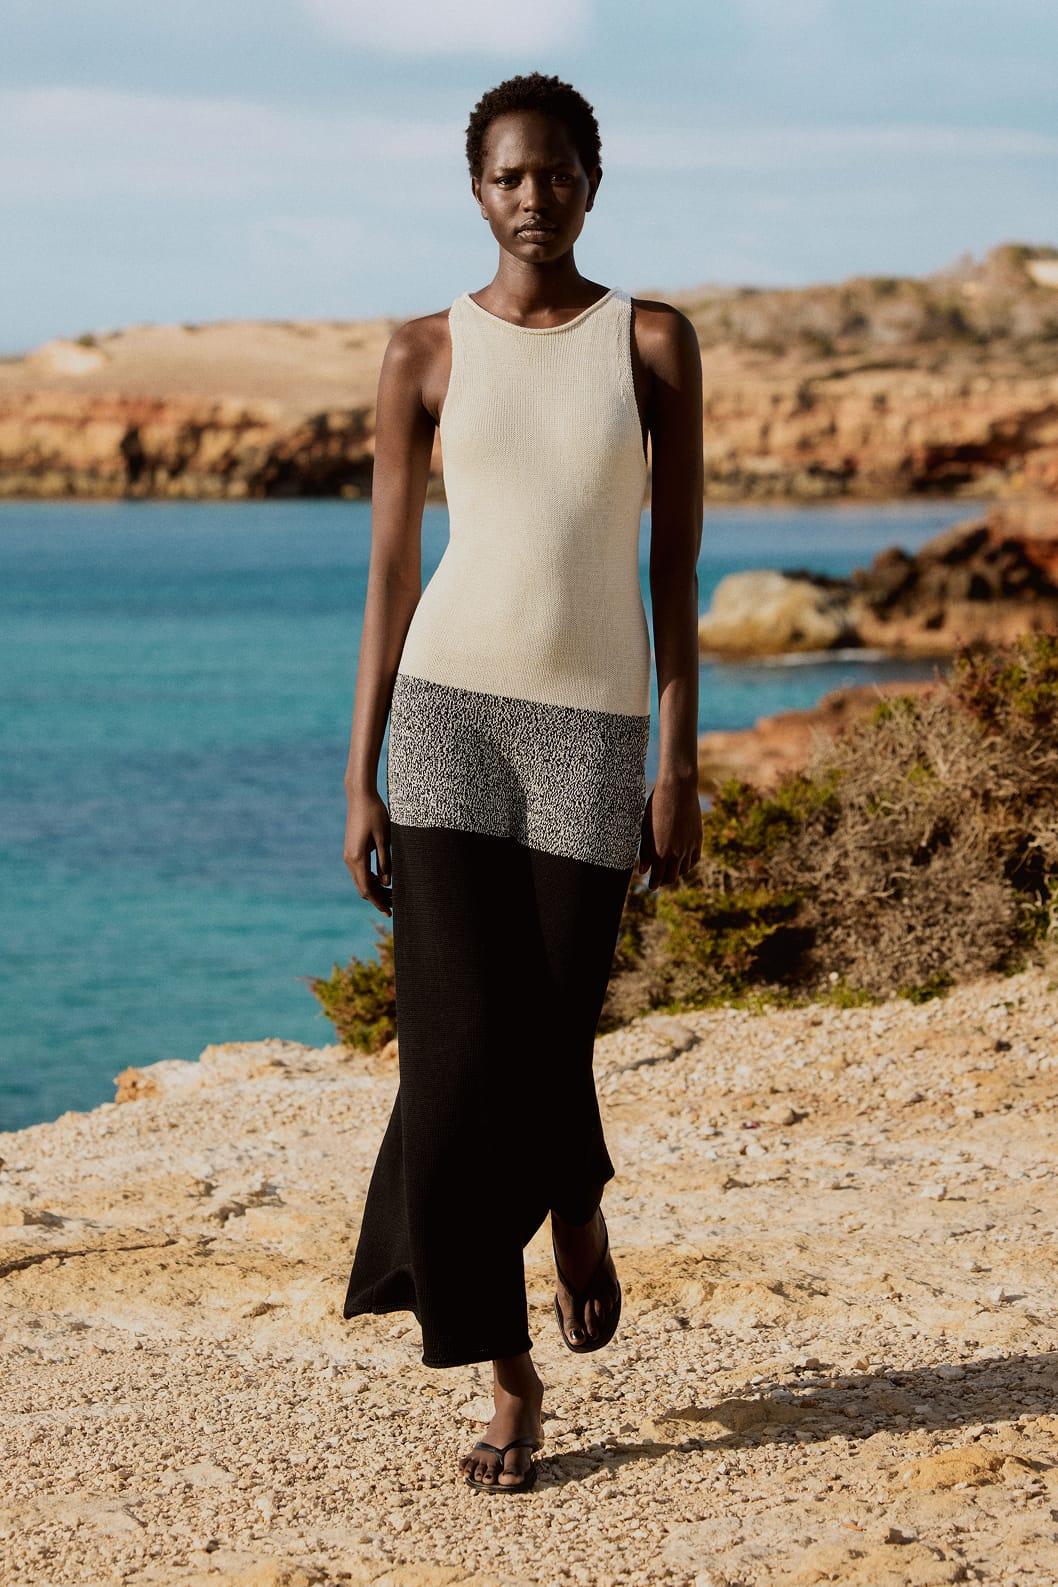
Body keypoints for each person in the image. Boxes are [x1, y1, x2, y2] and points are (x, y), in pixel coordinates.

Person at [341, 71, 703, 1494]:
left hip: (591, 730)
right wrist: (359, 774)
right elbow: (388, 572)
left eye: (555, 173)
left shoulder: (651, 341)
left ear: (591, 183)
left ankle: (577, 1203)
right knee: (452, 1055)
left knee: (550, 1033)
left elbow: (673, 566)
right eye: (507, 176)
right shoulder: (422, 352)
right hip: (444, 719)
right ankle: (506, 1378)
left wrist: (676, 757)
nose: (532, 197)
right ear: (476, 190)